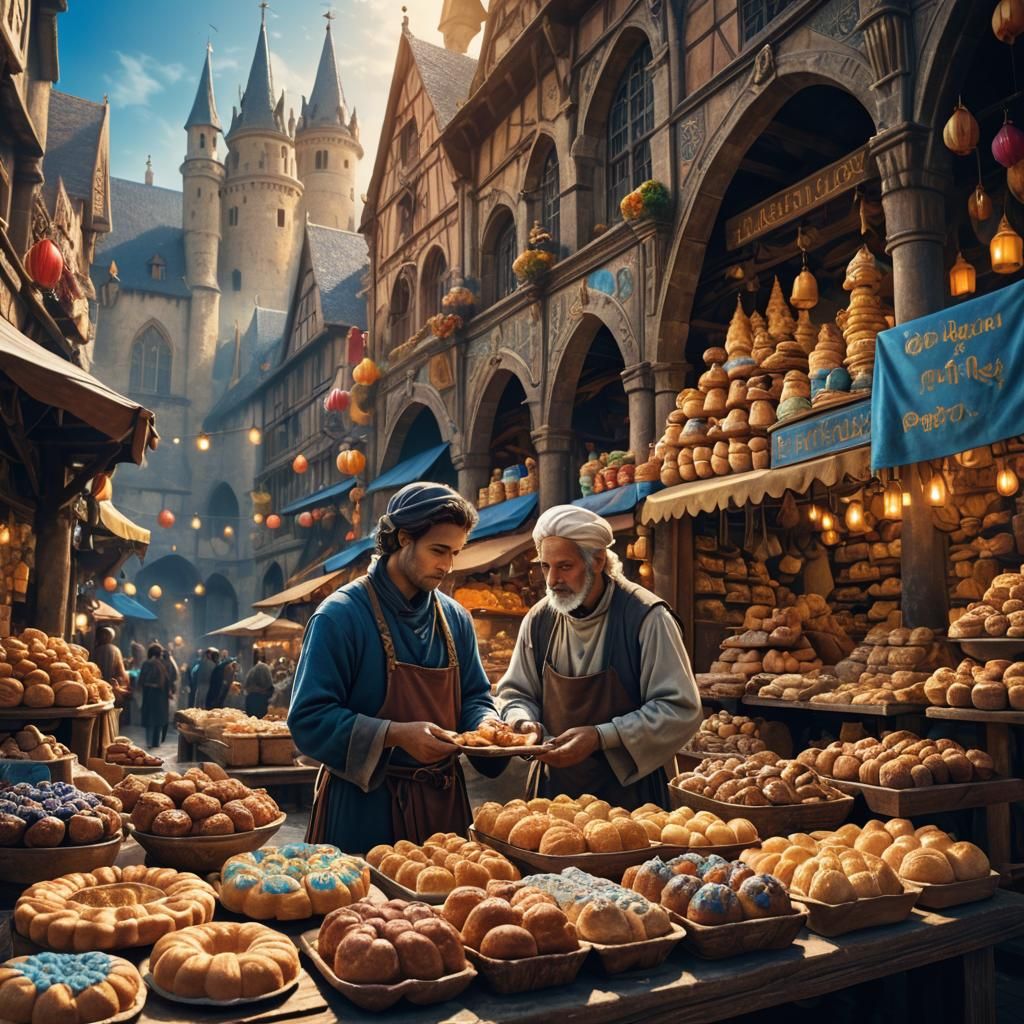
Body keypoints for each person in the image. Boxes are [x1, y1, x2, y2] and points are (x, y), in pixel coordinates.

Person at [289, 482, 501, 852]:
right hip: (364, 812)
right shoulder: (340, 616)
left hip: (444, 812)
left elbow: (475, 696)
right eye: (438, 550)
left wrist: (486, 724)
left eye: (454, 552)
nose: (447, 566)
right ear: (403, 538)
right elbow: (308, 719)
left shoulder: (456, 619)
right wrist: (395, 734)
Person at [496, 505, 701, 808]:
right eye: (545, 567)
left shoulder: (646, 617)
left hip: (631, 798)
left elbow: (680, 709)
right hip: (553, 795)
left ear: (598, 561)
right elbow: (516, 692)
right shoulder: (538, 619)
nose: (552, 580)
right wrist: (522, 722)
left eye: (564, 566)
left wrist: (601, 736)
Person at [139, 643, 173, 749]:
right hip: (161, 696)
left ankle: (149, 742)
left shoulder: (146, 664)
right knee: (159, 720)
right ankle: (156, 743)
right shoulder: (165, 664)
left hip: (150, 695)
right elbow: (170, 679)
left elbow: (141, 680)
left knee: (150, 720)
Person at [92, 626, 131, 720]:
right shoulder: (115, 650)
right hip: (111, 688)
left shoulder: (95, 650)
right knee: (110, 717)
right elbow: (121, 671)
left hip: (96, 687)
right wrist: (126, 684)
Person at [244, 650, 274, 718]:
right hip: (261, 701)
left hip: (251, 700)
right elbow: (270, 686)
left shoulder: (252, 671)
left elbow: (246, 686)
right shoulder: (265, 669)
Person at [160, 648, 179, 743]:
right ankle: (163, 735)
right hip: (169, 690)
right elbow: (174, 677)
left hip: (163, 691)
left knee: (163, 712)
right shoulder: (171, 664)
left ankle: (161, 734)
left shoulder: (162, 664)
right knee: (167, 712)